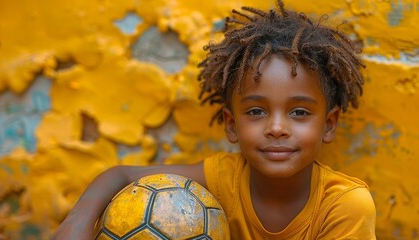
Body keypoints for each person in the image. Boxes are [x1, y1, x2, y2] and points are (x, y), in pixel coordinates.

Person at [53, 0, 376, 239]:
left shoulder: (346, 206)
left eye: (299, 112)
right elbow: (120, 175)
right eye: (256, 111)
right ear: (232, 125)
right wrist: (77, 222)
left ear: (329, 124)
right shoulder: (225, 178)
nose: (277, 128)